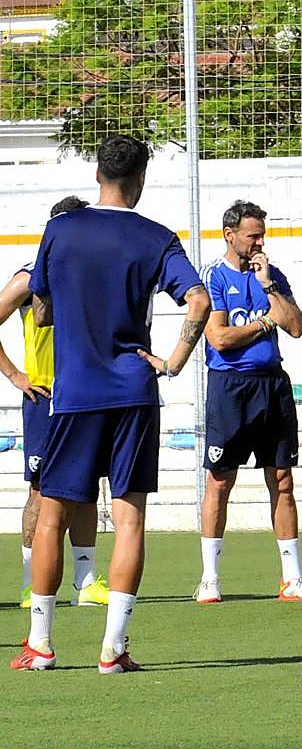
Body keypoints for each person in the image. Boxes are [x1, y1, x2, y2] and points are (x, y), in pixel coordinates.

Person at [10, 135, 211, 673]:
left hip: (74, 393)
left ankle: (41, 647)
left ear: (97, 173)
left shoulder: (61, 230)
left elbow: (43, 305)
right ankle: (113, 650)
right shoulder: (156, 237)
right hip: (132, 391)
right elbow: (198, 299)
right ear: (140, 179)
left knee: (51, 516)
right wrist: (172, 361)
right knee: (129, 521)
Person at [194, 200, 302, 604]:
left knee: (282, 480)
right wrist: (267, 321)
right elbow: (219, 339)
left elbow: (298, 326)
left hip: (273, 386)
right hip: (230, 387)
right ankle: (210, 578)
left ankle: (292, 578)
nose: (259, 242)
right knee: (220, 480)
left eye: (262, 234)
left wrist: (268, 286)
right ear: (230, 235)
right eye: (253, 234)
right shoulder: (214, 276)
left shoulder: (272, 274)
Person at [0, 197, 109, 610]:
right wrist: (14, 374)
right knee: (41, 490)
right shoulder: (29, 279)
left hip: (85, 395)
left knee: (86, 490)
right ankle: (32, 585)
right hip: (44, 396)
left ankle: (85, 581)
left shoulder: (91, 278)